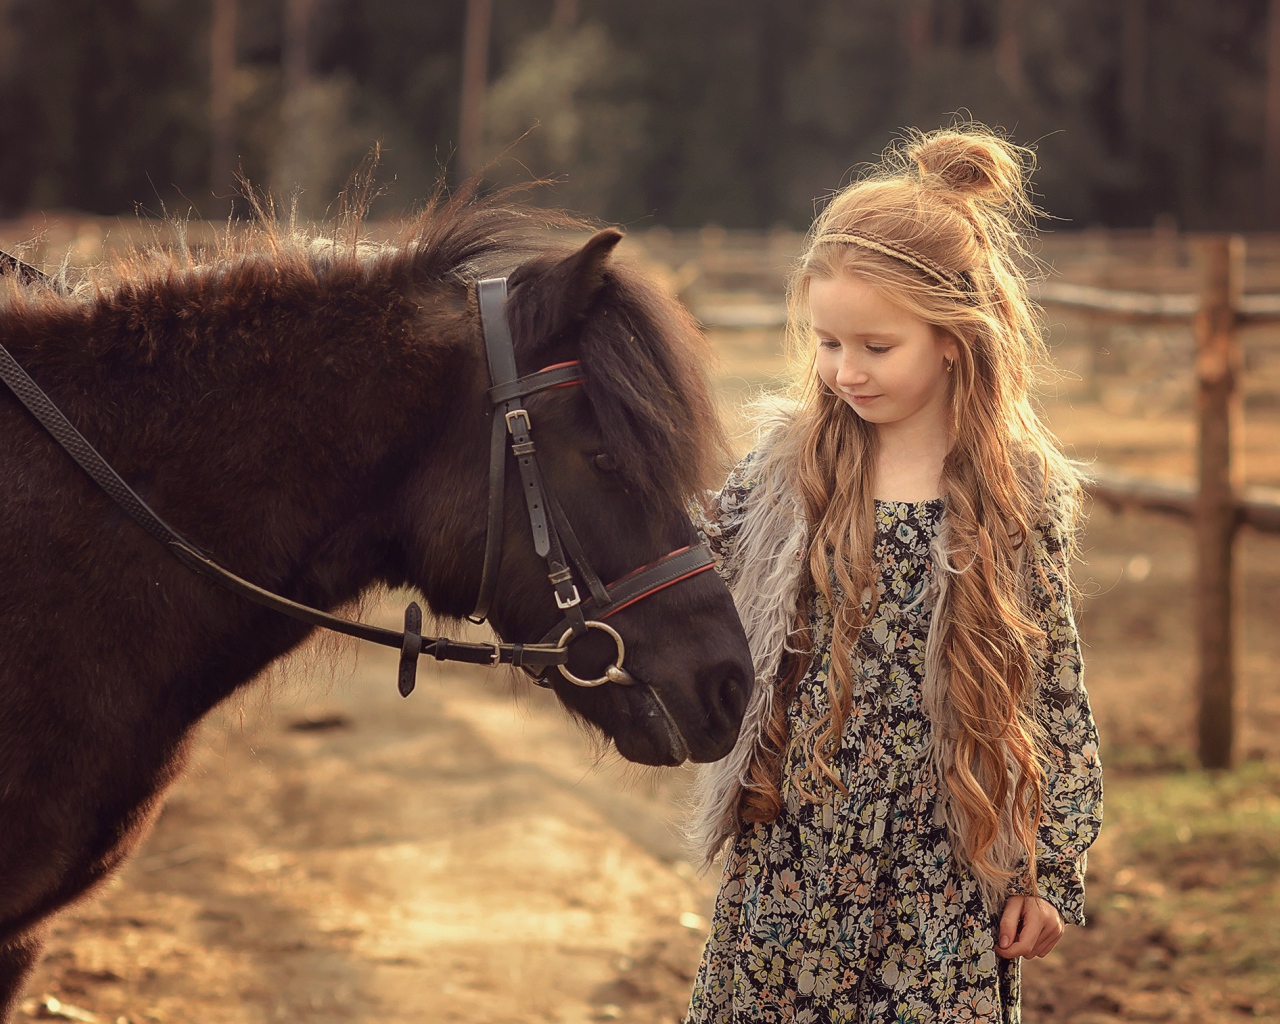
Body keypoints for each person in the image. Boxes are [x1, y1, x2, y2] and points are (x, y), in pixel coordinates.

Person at [684, 126, 1103, 1024]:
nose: (845, 371)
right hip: (793, 862)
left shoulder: (1014, 492)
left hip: (945, 877)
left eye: (877, 346)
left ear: (953, 335)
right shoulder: (788, 471)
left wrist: (1052, 870)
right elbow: (691, 571)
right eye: (830, 344)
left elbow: (1056, 688)